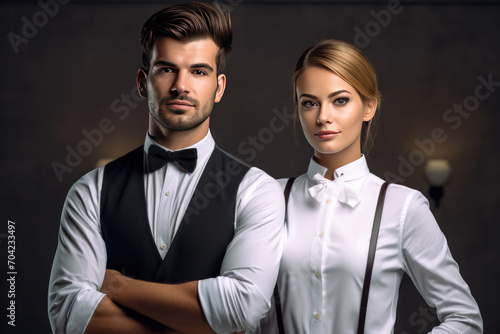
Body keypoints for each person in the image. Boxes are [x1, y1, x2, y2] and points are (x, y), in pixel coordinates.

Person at [48, 2, 285, 333]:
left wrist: (115, 286)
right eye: (166, 69)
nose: (181, 86)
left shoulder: (257, 191)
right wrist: (202, 323)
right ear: (143, 81)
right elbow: (68, 314)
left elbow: (241, 309)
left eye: (199, 71)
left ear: (218, 88)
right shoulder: (90, 190)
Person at [255, 39, 483, 333]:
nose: (323, 117)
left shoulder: (402, 208)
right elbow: (240, 312)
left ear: (369, 107)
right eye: (309, 103)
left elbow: (465, 318)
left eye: (340, 100)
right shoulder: (267, 196)